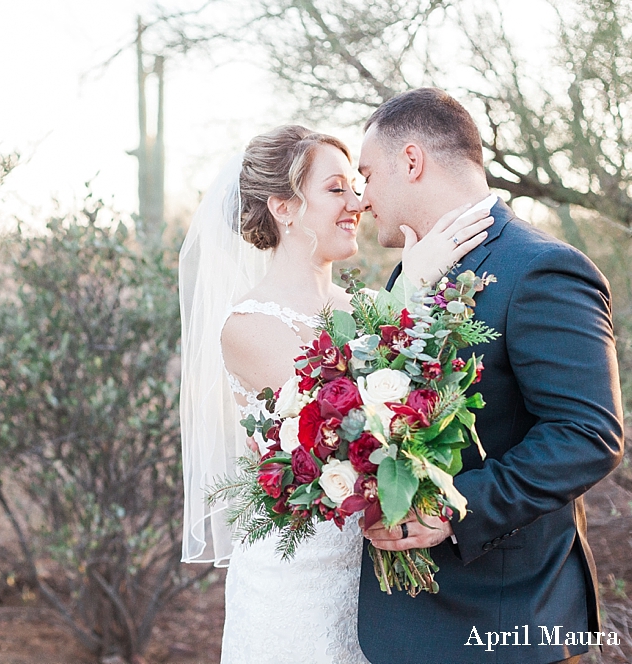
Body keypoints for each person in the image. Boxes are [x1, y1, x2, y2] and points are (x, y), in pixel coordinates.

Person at [179, 124, 493, 663]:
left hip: (379, 578)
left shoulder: (369, 303)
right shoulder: (248, 327)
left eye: (356, 186)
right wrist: (411, 290)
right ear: (284, 207)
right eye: (336, 189)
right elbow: (339, 413)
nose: (359, 202)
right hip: (295, 583)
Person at [357, 88, 625, 664]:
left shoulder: (541, 268)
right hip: (405, 626)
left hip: (506, 625)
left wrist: (454, 506)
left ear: (411, 161)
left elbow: (588, 435)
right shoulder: (407, 274)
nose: (364, 195)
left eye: (368, 174)